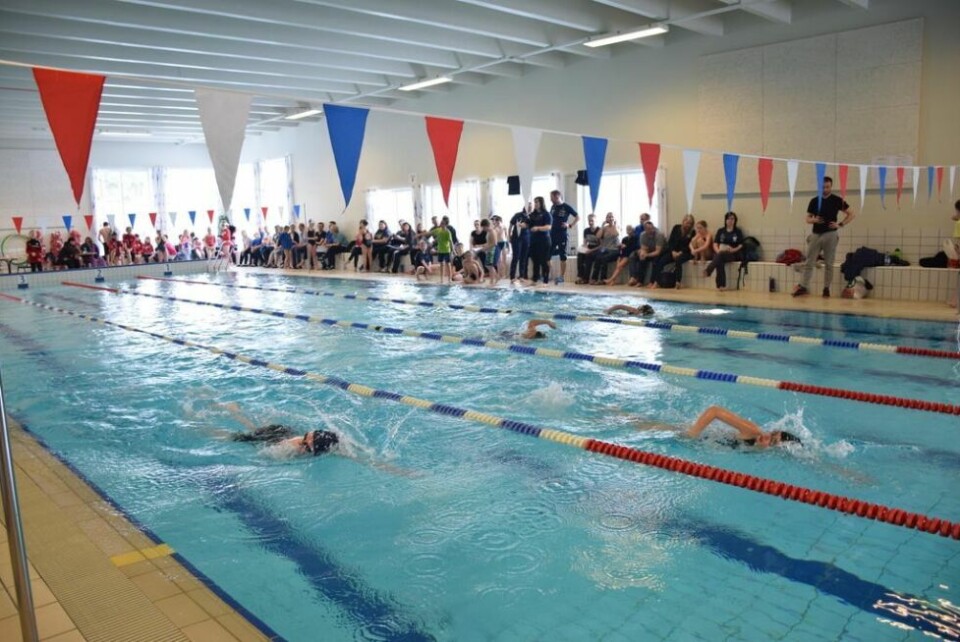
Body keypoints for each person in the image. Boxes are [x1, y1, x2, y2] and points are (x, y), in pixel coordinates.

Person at [793, 176, 856, 298]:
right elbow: (807, 219)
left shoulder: (837, 200)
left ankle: (826, 288)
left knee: (829, 263)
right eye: (823, 187)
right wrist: (814, 220)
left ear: (831, 186)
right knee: (809, 262)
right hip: (816, 234)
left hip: (830, 234)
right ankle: (803, 286)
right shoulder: (814, 201)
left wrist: (840, 224)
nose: (825, 189)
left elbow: (851, 214)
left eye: (827, 187)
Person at [683, 406, 801, 449]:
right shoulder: (752, 431)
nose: (767, 437)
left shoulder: (758, 449)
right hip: (695, 434)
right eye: (772, 434)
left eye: (772, 441)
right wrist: (692, 434)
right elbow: (715, 411)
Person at [651, 214, 695, 289]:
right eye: (687, 223)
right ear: (683, 221)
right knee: (662, 261)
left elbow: (689, 246)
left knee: (678, 260)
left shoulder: (692, 232)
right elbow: (670, 242)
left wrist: (681, 252)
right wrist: (672, 251)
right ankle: (656, 281)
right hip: (673, 251)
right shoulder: (676, 228)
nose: (688, 225)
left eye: (690, 223)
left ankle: (678, 282)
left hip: (685, 252)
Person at [703, 212, 744, 291]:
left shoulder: (737, 231)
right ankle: (721, 286)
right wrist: (718, 251)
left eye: (732, 219)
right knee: (719, 259)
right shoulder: (721, 231)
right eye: (728, 219)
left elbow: (741, 245)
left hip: (732, 254)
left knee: (719, 256)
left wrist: (733, 249)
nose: (730, 221)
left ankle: (708, 271)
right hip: (721, 252)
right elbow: (715, 244)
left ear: (735, 220)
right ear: (725, 220)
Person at [549, 190, 578, 284]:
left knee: (563, 256)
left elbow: (578, 217)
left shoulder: (566, 207)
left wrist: (570, 225)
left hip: (562, 234)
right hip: (552, 234)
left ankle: (561, 277)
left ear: (557, 196)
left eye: (551, 198)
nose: (550, 200)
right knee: (547, 255)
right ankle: (550, 275)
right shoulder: (553, 207)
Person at [627, 221, 665, 287]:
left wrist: (646, 255)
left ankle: (652, 281)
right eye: (648, 229)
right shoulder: (643, 235)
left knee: (656, 260)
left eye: (652, 228)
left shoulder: (659, 235)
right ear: (645, 229)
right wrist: (643, 254)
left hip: (660, 252)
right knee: (634, 256)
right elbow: (644, 249)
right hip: (649, 251)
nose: (651, 230)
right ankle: (636, 279)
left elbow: (658, 252)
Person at [528, 196, 552, 285]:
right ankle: (535, 279)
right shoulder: (532, 215)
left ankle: (545, 280)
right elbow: (528, 224)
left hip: (544, 240)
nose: (535, 204)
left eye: (537, 202)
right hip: (534, 240)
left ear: (541, 203)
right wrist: (522, 225)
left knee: (543, 261)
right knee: (535, 261)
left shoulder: (546, 214)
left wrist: (538, 228)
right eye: (535, 202)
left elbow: (548, 227)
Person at [590, 213, 620, 284]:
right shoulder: (605, 228)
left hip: (614, 250)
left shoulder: (617, 226)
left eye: (612, 217)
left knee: (604, 258)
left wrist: (614, 225)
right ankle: (594, 278)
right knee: (598, 257)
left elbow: (616, 234)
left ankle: (602, 279)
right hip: (605, 249)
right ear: (606, 219)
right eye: (609, 217)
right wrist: (602, 226)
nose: (610, 218)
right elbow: (598, 236)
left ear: (614, 218)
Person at [575, 213, 601, 284]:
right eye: (589, 221)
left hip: (597, 249)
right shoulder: (586, 230)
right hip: (589, 248)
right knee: (580, 255)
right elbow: (585, 243)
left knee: (589, 256)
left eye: (592, 221)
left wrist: (591, 250)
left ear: (596, 221)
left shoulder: (599, 230)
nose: (590, 222)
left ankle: (586, 278)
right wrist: (583, 248)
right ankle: (580, 276)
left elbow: (601, 245)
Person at [509, 203, 531, 282]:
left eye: (531, 207)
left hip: (526, 238)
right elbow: (511, 225)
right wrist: (509, 235)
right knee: (516, 257)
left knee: (523, 257)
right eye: (529, 207)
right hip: (516, 238)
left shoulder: (531, 216)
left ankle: (522, 276)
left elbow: (531, 226)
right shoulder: (517, 215)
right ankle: (512, 276)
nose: (530, 208)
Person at [430, 217, 454, 283]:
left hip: (446, 250)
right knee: (441, 265)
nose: (441, 224)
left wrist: (453, 250)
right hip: (440, 250)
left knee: (448, 264)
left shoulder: (448, 232)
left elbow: (450, 241)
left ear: (446, 224)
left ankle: (449, 279)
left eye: (443, 223)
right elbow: (437, 238)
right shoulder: (439, 231)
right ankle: (441, 279)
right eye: (441, 223)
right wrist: (433, 242)